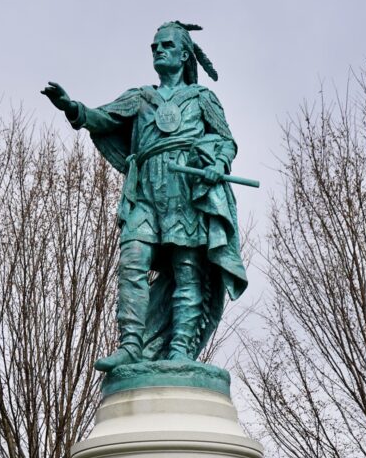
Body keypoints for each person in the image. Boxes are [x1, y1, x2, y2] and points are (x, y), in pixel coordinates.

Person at [43, 21, 247, 372]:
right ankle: (131, 345)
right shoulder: (140, 97)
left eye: (166, 45)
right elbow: (102, 119)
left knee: (187, 271)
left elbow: (226, 140)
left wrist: (217, 163)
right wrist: (71, 107)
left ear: (184, 54)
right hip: (145, 192)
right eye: (154, 47)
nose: (158, 50)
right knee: (131, 262)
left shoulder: (202, 99)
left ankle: (180, 350)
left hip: (187, 190)